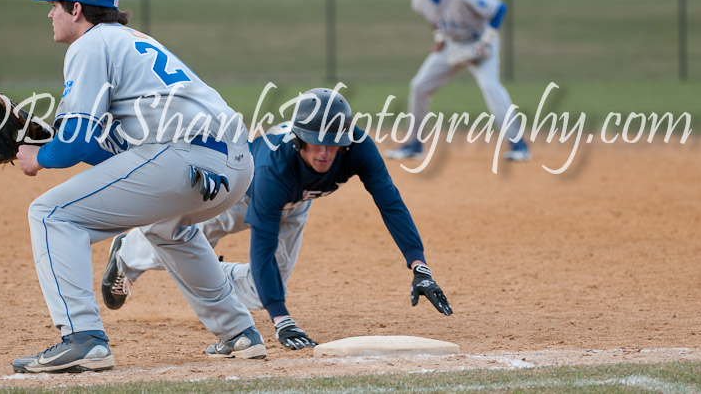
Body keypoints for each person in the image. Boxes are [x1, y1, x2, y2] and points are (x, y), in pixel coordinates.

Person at [13, 0, 265, 373]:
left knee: (51, 214)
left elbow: (75, 143)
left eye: (55, 6)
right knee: (166, 226)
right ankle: (239, 333)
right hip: (235, 165)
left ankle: (82, 338)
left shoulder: (90, 44)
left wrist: (39, 158)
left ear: (77, 10)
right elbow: (120, 159)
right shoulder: (133, 41)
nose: (50, 14)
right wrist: (54, 144)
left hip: (183, 158)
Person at [101, 88, 452, 350]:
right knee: (183, 237)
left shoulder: (356, 146)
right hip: (237, 191)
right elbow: (263, 245)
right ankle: (130, 251)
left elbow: (389, 201)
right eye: (317, 143)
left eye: (334, 143)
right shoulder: (273, 169)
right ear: (299, 140)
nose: (326, 152)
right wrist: (281, 318)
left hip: (295, 204)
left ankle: (192, 265)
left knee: (261, 290)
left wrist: (419, 264)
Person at [385, 0, 530, 161]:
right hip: (452, 46)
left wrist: (487, 41)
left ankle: (519, 145)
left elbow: (498, 9)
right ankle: (414, 145)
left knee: (491, 87)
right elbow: (433, 20)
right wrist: (439, 37)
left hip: (479, 43)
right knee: (419, 86)